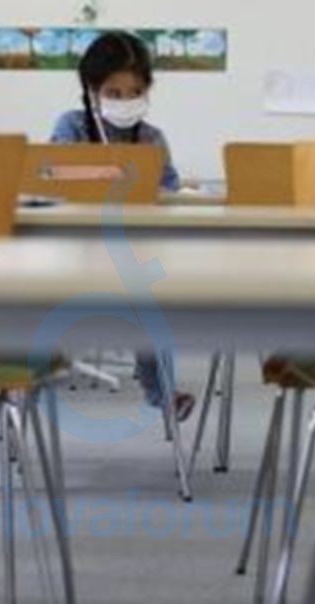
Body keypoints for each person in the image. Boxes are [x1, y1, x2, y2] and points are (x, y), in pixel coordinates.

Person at [50, 30, 193, 421]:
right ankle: (24, 381)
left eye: (135, 92)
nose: (126, 101)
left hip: (131, 252)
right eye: (114, 92)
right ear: (92, 90)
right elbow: (53, 179)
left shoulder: (152, 138)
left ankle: (162, 393)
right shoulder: (72, 126)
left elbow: (168, 189)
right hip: (75, 253)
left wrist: (165, 193)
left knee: (148, 296)